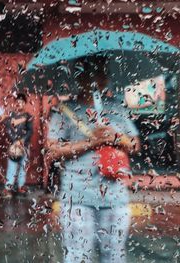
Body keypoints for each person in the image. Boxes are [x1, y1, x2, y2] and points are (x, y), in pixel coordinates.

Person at [47, 57, 140, 263]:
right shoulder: (64, 110)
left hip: (115, 196)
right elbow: (52, 151)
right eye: (87, 74)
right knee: (77, 256)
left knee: (114, 256)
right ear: (78, 78)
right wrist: (91, 142)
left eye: (98, 74)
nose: (93, 80)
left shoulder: (117, 108)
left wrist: (114, 135)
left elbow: (135, 145)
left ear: (105, 79)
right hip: (77, 197)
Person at [0, 93, 33, 198]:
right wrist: (15, 141)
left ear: (25, 104)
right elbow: (9, 130)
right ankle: (8, 188)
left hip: (24, 146)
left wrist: (22, 141)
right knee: (12, 167)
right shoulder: (11, 116)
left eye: (22, 102)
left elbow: (30, 131)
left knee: (23, 167)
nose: (19, 104)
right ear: (15, 103)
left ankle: (20, 186)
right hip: (13, 146)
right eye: (18, 102)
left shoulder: (28, 116)